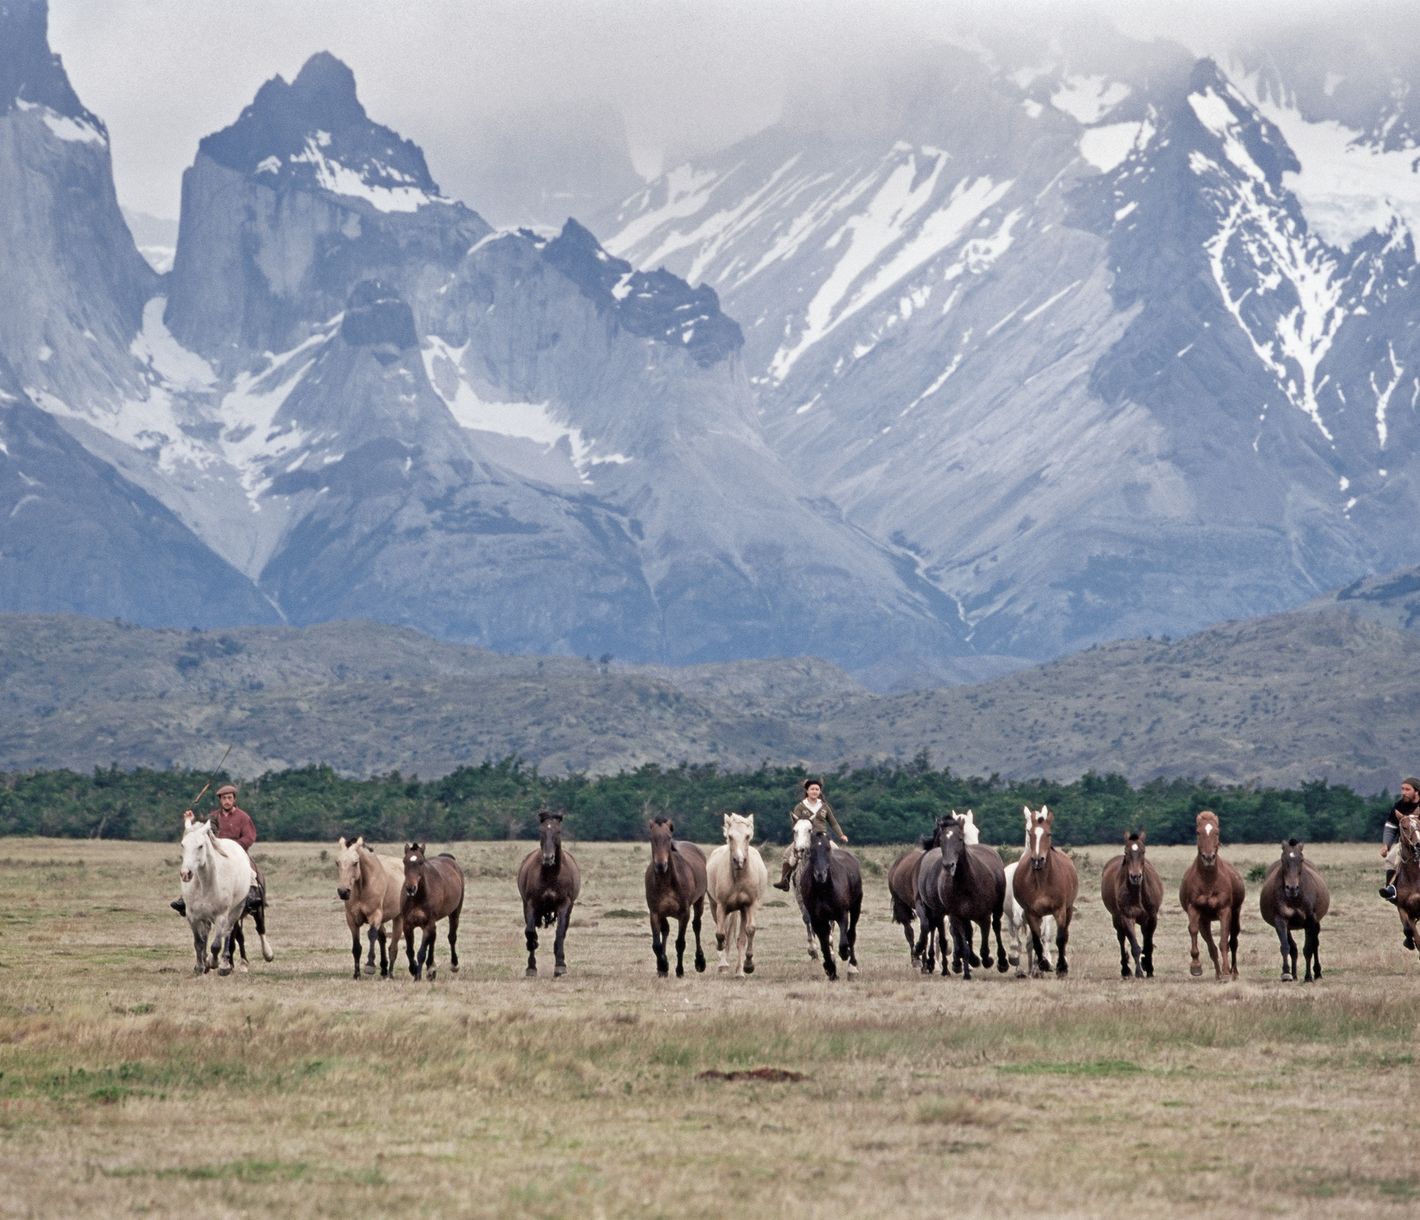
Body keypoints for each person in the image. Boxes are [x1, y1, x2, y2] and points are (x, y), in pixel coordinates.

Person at [170, 784, 264, 916]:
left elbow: (249, 837)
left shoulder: (243, 817)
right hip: (216, 853)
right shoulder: (213, 817)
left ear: (234, 799)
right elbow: (202, 832)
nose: (227, 801)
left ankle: (251, 895)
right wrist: (192, 819)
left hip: (238, 853)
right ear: (220, 800)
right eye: (224, 798)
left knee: (250, 871)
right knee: (197, 868)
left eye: (229, 798)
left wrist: (234, 847)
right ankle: (185, 899)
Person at [772, 778, 848, 891]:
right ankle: (784, 880)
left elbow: (833, 823)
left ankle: (841, 880)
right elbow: (795, 824)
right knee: (787, 854)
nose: (814, 791)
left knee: (837, 852)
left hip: (822, 837)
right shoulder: (800, 807)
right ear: (807, 791)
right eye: (812, 789)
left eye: (817, 789)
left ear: (820, 791)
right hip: (805, 837)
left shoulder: (824, 806)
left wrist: (841, 835)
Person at [1379, 777, 1420, 903]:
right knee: (1391, 859)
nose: (1403, 792)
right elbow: (1391, 826)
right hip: (1405, 844)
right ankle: (1391, 890)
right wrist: (1386, 845)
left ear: (1416, 791)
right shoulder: (1399, 806)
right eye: (1402, 789)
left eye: (1407, 789)